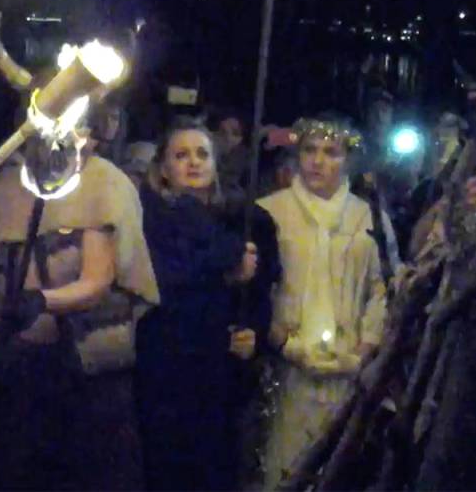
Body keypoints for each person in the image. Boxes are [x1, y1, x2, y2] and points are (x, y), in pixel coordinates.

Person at [0, 116, 159, 490]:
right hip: (15, 371)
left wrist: (41, 301)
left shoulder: (104, 183)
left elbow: (97, 280)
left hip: (90, 375)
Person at [134, 120, 280, 491]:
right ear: (163, 168)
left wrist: (251, 333)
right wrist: (226, 270)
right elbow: (165, 282)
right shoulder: (150, 217)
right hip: (169, 368)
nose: (193, 163)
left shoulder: (242, 220)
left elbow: (260, 295)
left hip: (219, 376)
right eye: (181, 155)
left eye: (202, 154)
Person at [260, 117, 388, 489]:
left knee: (337, 469)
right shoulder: (271, 210)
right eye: (309, 150)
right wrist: (283, 341)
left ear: (347, 160)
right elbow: (257, 291)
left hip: (348, 368)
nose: (318, 161)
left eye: (330, 153)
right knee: (284, 464)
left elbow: (380, 288)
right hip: (287, 368)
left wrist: (363, 350)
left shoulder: (367, 215)